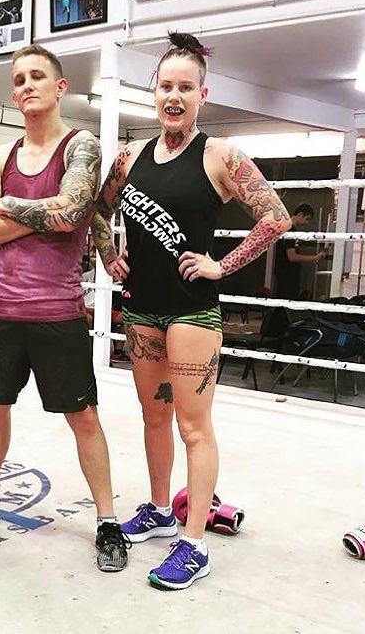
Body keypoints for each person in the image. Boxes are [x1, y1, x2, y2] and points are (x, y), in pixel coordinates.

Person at [93, 32, 291, 589]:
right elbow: (98, 211)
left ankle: (195, 542)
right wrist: (109, 254)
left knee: (193, 427)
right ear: (153, 93)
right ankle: (160, 511)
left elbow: (275, 217)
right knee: (153, 416)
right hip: (141, 310)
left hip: (192, 314)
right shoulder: (130, 157)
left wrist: (222, 266)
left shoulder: (220, 155)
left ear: (203, 94)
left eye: (185, 87)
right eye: (165, 86)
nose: (173, 97)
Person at [0, 44, 130, 573]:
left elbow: (72, 213)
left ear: (60, 86)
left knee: (82, 416)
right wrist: (52, 215)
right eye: (19, 79)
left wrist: (13, 207)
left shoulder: (79, 145)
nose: (27, 86)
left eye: (37, 76)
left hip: (57, 312)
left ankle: (108, 521)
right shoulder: (1, 155)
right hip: (1, 308)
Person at [274, 203, 325, 299]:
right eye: (307, 219)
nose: (307, 223)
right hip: (288, 273)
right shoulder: (290, 231)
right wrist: (314, 258)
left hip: (284, 271)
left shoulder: (285, 228)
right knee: (288, 298)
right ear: (300, 214)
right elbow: (292, 256)